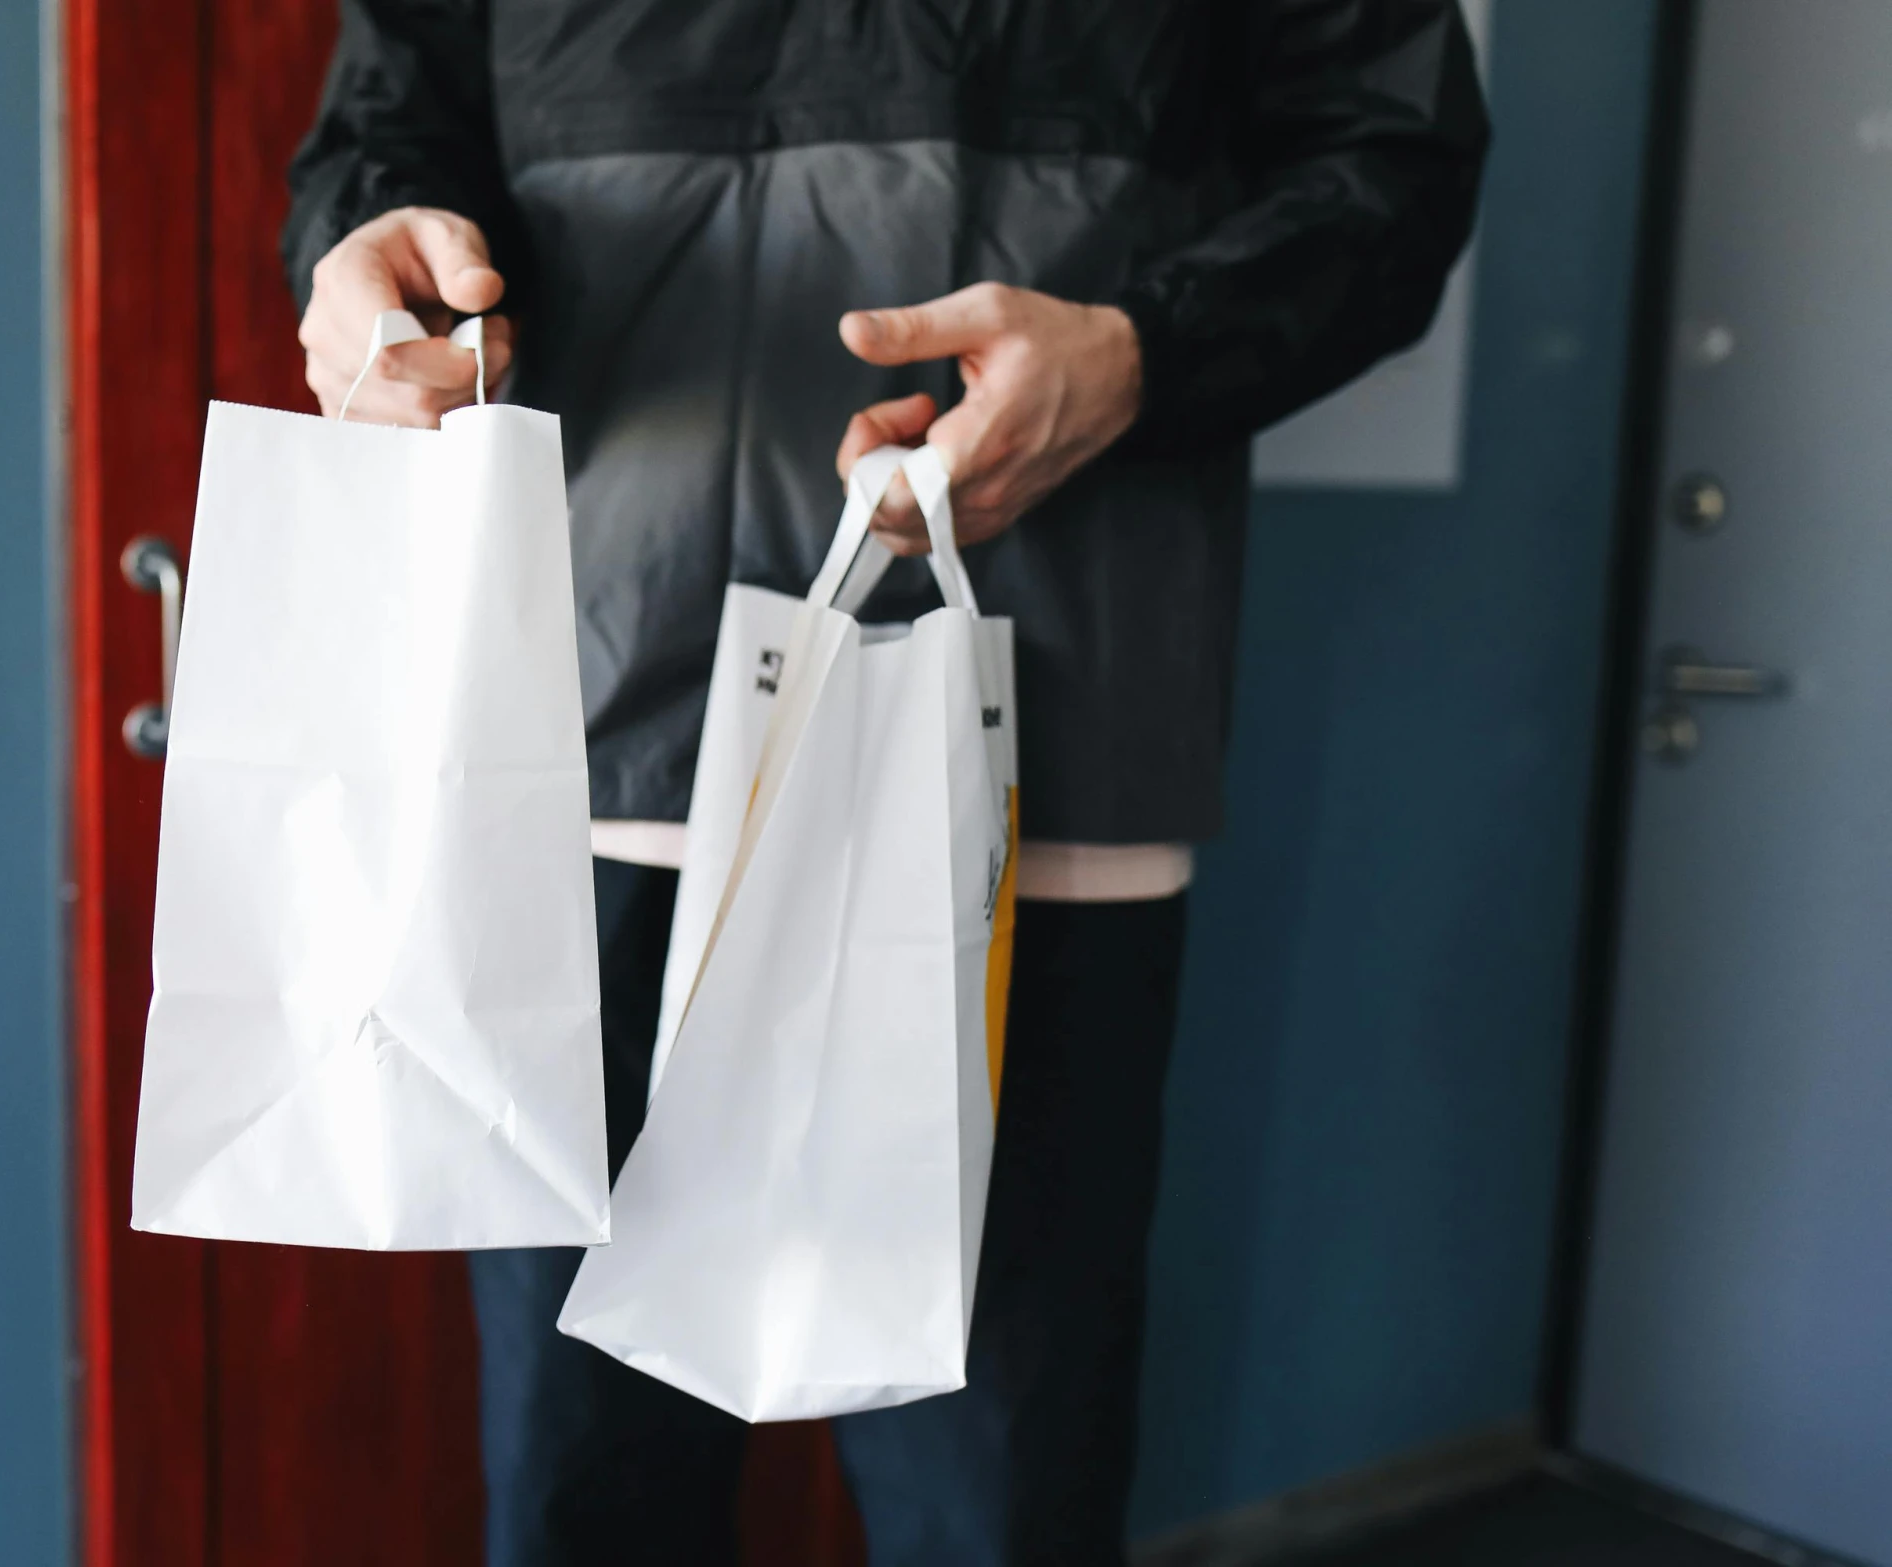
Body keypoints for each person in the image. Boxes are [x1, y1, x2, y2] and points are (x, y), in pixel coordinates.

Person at [282, 2, 1487, 1561]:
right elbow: (396, 122)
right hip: (578, 761)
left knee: (995, 1493)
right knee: (582, 1482)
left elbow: (1390, 150)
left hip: (1015, 776)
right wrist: (370, 259)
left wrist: (1141, 353)